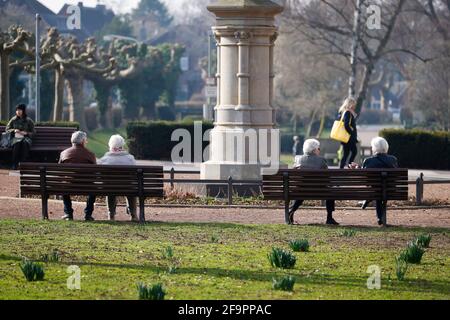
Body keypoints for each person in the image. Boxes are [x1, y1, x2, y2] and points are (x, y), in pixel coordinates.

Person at [289, 139, 339, 225]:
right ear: (314, 150)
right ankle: (329, 218)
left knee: (300, 189)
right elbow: (328, 178)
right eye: (318, 148)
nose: (319, 150)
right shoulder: (321, 160)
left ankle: (291, 211)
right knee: (330, 192)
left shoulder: (298, 159)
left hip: (301, 191)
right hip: (319, 191)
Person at [98, 134, 138, 222]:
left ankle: (111, 215)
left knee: (110, 189)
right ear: (122, 145)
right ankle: (133, 214)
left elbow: (99, 176)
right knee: (130, 188)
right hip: (127, 188)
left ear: (110, 145)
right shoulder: (130, 159)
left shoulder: (104, 160)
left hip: (110, 188)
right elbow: (134, 175)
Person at [59, 131, 97, 221]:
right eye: (86, 140)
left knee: (63, 184)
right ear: (83, 141)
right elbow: (95, 172)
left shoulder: (64, 153)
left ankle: (68, 213)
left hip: (68, 186)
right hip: (87, 185)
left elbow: (60, 172)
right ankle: (88, 214)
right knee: (93, 189)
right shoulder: (90, 154)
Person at [361, 137, 398, 225]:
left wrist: (357, 168)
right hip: (390, 190)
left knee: (377, 191)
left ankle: (369, 199)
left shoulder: (368, 161)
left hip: (374, 190)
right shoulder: (393, 159)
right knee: (381, 192)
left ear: (374, 148)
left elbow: (364, 177)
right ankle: (380, 218)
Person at [5, 104, 36, 170]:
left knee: (24, 143)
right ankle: (14, 164)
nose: (18, 112)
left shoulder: (28, 120)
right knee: (17, 143)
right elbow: (7, 129)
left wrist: (26, 133)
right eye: (17, 110)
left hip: (26, 138)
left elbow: (33, 132)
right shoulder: (13, 119)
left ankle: (23, 164)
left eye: (20, 110)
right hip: (15, 138)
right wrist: (14, 130)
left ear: (23, 111)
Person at [338, 97, 358, 169]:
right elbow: (346, 125)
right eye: (354, 104)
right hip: (349, 138)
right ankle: (349, 167)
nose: (354, 106)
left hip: (346, 138)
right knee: (354, 152)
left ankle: (342, 168)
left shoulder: (344, 112)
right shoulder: (348, 113)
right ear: (350, 104)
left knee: (346, 154)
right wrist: (352, 133)